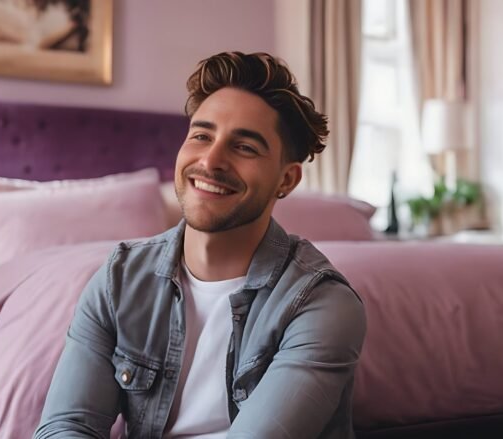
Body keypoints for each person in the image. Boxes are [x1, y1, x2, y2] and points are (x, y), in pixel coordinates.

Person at [34, 51, 366, 439]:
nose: (210, 161)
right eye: (201, 136)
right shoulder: (119, 280)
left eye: (244, 147)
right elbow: (67, 426)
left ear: (287, 180)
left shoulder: (320, 303)